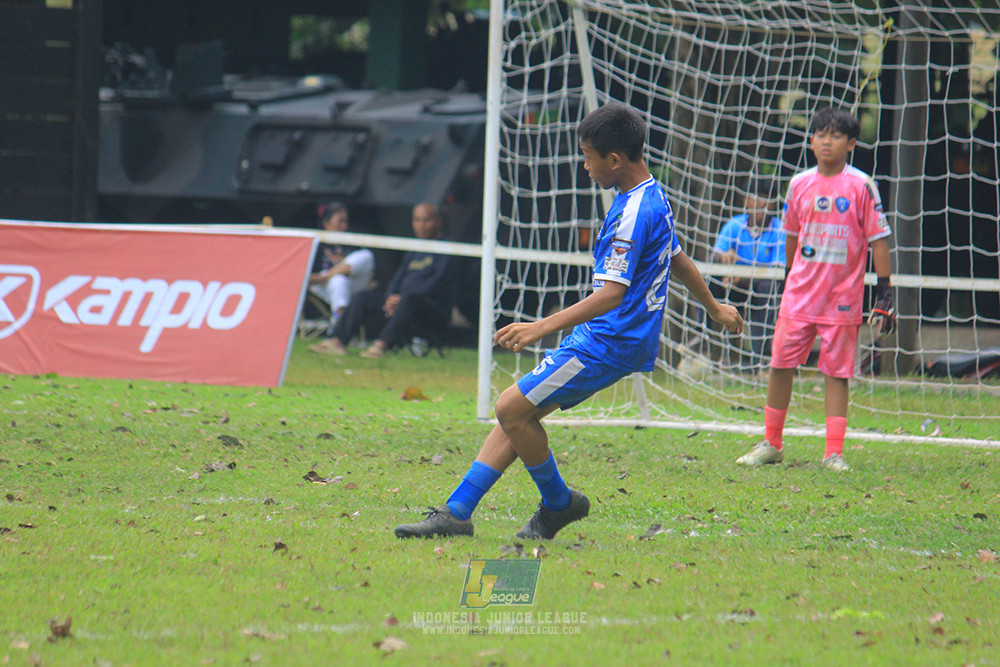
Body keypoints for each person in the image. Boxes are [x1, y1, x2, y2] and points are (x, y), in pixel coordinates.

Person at [394, 102, 744, 540]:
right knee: (519, 413)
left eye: (587, 156)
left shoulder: (634, 213)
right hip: (610, 335)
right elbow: (676, 257)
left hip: (610, 339)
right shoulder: (650, 194)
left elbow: (611, 294)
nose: (584, 165)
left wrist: (538, 327)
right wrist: (714, 307)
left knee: (509, 407)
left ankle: (558, 504)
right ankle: (457, 511)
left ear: (613, 160)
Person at [736, 107, 895, 472]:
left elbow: (879, 241)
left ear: (851, 143)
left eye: (836, 135)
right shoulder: (799, 184)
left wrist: (885, 292)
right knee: (779, 365)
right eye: (820, 134)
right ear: (810, 140)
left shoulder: (861, 185)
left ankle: (833, 453)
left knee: (836, 373)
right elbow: (792, 236)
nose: (827, 141)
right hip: (799, 297)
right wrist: (792, 277)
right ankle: (771, 443)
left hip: (842, 299)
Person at [309, 202, 456, 358]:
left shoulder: (447, 249)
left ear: (438, 221)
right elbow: (398, 278)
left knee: (410, 300)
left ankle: (381, 345)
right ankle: (337, 341)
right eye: (417, 220)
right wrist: (391, 297)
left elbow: (437, 283)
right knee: (363, 298)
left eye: (426, 220)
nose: (421, 225)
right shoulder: (415, 248)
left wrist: (402, 299)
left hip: (428, 309)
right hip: (400, 304)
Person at [708, 176, 786, 371]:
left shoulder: (780, 230)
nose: (760, 204)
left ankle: (762, 361)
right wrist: (723, 258)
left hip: (763, 290)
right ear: (745, 201)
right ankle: (708, 350)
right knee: (709, 282)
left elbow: (778, 270)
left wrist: (742, 278)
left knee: (768, 289)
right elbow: (714, 256)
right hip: (734, 287)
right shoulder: (735, 225)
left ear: (773, 203)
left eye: (765, 198)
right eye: (755, 197)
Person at [306, 201, 375, 330]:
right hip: (321, 285)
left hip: (349, 284)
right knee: (338, 281)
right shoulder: (317, 244)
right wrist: (328, 277)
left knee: (366, 255)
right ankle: (339, 327)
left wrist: (329, 274)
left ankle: (338, 328)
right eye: (340, 221)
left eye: (346, 221)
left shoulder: (351, 242)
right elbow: (305, 276)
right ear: (327, 224)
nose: (344, 226)